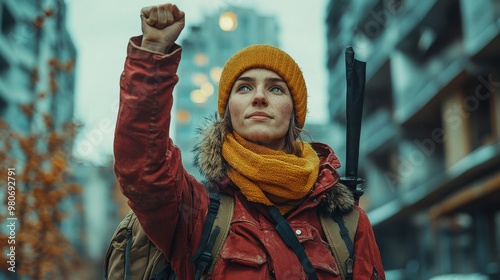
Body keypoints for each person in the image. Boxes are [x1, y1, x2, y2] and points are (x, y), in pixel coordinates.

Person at [114, 3, 386, 279]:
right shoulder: (196, 211)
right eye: (244, 87)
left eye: (276, 88)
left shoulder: (348, 224)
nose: (259, 97)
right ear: (228, 111)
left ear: (294, 113)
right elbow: (143, 168)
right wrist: (153, 55)